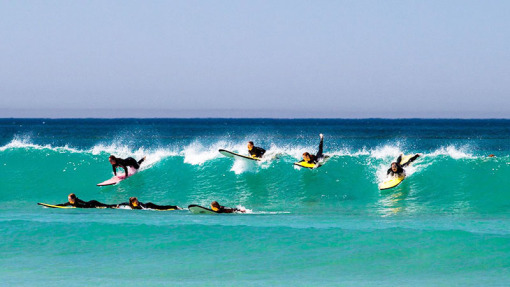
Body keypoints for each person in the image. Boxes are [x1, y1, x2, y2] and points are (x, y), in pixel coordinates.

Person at [117, 197, 181, 210]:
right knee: (161, 207)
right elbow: (124, 203)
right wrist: (118, 205)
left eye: (136, 200)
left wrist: (144, 208)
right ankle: (175, 207)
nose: (136, 201)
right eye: (135, 201)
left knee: (161, 207)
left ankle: (175, 207)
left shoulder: (139, 204)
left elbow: (143, 207)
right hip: (147, 206)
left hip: (149, 205)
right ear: (132, 202)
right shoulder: (130, 204)